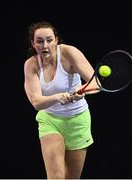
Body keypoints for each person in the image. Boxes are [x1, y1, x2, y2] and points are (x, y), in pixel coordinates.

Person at [24, 21, 99, 179]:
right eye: (39, 41)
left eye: (49, 40)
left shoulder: (69, 53)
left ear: (56, 40)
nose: (45, 45)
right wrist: (58, 97)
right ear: (33, 43)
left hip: (78, 121)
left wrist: (82, 92)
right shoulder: (31, 65)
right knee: (56, 177)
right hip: (50, 121)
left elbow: (96, 83)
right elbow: (36, 102)